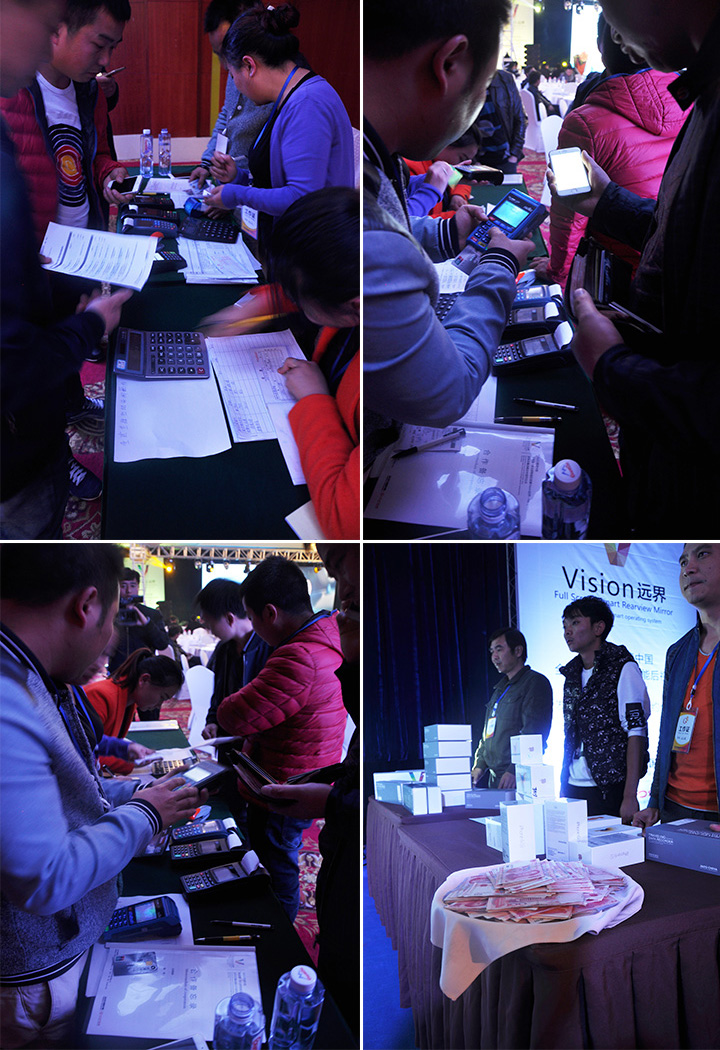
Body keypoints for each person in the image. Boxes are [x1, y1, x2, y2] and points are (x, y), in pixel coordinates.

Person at [0, 543, 204, 1049]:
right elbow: (45, 878)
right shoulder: (9, 694)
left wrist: (134, 790)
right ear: (86, 604)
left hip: (57, 949)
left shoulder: (37, 677)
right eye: (113, 620)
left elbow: (70, 788)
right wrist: (145, 813)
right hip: (32, 973)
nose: (111, 639)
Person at [561, 0, 720, 536]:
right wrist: (607, 203)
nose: (611, 26)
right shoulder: (702, 92)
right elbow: (692, 231)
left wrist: (613, 368)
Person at [363, 0, 535, 430]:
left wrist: (447, 232)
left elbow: (386, 233)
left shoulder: (359, 147)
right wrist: (499, 264)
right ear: (449, 63)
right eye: (486, 85)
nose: (481, 99)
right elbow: (446, 391)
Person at [0, 0, 131, 539]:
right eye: (98, 43)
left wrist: (108, 175)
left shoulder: (89, 91)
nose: (104, 60)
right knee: (43, 359)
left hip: (80, 253)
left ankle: (65, 420)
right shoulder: (14, 92)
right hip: (36, 264)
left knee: (60, 357)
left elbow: (93, 154)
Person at [260, 543, 360, 1038]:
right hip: (319, 781)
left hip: (307, 782)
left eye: (355, 606)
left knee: (283, 859)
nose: (343, 604)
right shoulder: (330, 646)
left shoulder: (300, 652)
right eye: (335, 576)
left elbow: (242, 712)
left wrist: (330, 797)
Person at [215, 555, 347, 920]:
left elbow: (233, 715)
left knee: (277, 868)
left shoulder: (297, 657)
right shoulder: (328, 635)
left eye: (252, 617)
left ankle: (280, 933)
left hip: (283, 784)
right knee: (280, 856)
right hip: (308, 767)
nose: (253, 627)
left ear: (270, 614)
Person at [534, 14, 684, 285]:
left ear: (601, 45)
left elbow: (570, 212)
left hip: (611, 273)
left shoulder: (583, 122)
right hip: (676, 266)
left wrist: (558, 272)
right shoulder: (693, 101)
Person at [205, 3, 354, 258]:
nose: (234, 84)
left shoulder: (307, 103)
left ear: (249, 66)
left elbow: (300, 198)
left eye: (232, 74)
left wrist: (235, 194)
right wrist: (238, 177)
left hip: (316, 255)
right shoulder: (288, 98)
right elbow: (278, 181)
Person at [634, 544, 720, 829]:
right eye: (683, 561)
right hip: (674, 810)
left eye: (703, 554)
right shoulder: (677, 652)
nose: (688, 568)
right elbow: (667, 732)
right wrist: (655, 802)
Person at [560, 596, 651, 820]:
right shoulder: (571, 674)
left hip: (610, 788)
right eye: (564, 625)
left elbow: (636, 731)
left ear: (598, 628)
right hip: (573, 786)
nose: (567, 631)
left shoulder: (622, 667)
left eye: (575, 623)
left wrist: (629, 796)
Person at [188, 0, 273, 188]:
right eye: (218, 55)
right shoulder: (236, 65)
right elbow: (227, 115)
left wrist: (237, 190)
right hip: (232, 186)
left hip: (254, 191)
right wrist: (207, 163)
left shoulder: (282, 91)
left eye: (226, 52)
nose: (225, 66)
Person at [471, 628, 553, 789]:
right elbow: (487, 734)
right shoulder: (500, 689)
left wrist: (515, 770)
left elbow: (534, 732)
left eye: (499, 649)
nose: (494, 656)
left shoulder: (535, 682)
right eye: (492, 651)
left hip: (518, 778)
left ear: (518, 651)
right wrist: (479, 766)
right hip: (496, 779)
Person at [195, 578, 272, 740]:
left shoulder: (269, 647)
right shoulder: (223, 648)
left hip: (257, 743)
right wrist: (212, 721)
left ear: (230, 618)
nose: (210, 631)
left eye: (210, 625)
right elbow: (218, 694)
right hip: (227, 740)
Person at [84, 649, 184, 774]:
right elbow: (87, 753)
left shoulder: (129, 701)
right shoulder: (101, 696)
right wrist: (131, 762)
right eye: (162, 697)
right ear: (144, 680)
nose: (159, 705)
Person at [108, 569, 171, 725]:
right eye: (123, 586)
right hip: (119, 674)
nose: (128, 591)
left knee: (150, 723)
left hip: (148, 675)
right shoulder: (110, 613)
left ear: (138, 587)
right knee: (120, 724)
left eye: (132, 585)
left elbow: (162, 643)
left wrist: (146, 624)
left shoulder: (151, 615)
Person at [403, 128, 480, 218]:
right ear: (445, 144)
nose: (461, 163)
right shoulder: (411, 167)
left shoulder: (441, 167)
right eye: (461, 158)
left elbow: (456, 179)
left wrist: (459, 195)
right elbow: (417, 220)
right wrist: (457, 217)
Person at [476, 67, 526, 174]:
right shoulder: (465, 79)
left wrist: (514, 154)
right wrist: (472, 159)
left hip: (505, 157)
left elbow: (520, 118)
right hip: (477, 160)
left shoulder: (505, 79)